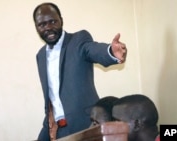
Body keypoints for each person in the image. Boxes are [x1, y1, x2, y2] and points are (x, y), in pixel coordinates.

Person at [33, 2, 127, 140]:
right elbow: (51, 98)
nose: (48, 27)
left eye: (52, 21)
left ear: (61, 20)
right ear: (37, 27)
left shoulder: (78, 40)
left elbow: (93, 50)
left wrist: (111, 52)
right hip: (56, 129)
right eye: (42, 24)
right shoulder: (40, 55)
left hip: (85, 125)